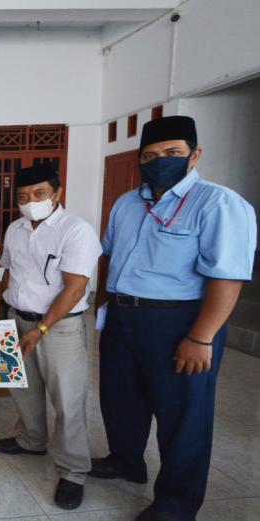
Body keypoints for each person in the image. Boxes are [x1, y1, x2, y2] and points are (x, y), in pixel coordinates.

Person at [93, 116, 256, 521]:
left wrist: (201, 338)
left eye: (172, 153)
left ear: (194, 155)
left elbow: (228, 276)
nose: (159, 161)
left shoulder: (218, 203)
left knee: (182, 417)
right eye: (150, 155)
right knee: (119, 400)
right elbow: (110, 257)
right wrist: (103, 310)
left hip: (179, 323)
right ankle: (125, 462)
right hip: (123, 317)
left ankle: (176, 505)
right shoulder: (127, 203)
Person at [0, 162, 102, 510]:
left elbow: (74, 289)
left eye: (39, 193)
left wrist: (40, 330)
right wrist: (1, 321)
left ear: (57, 193)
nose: (31, 201)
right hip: (17, 319)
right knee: (24, 388)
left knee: (67, 399)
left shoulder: (76, 230)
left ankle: (72, 471)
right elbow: (10, 275)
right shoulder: (15, 229)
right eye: (23, 196)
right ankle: (32, 440)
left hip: (58, 327)